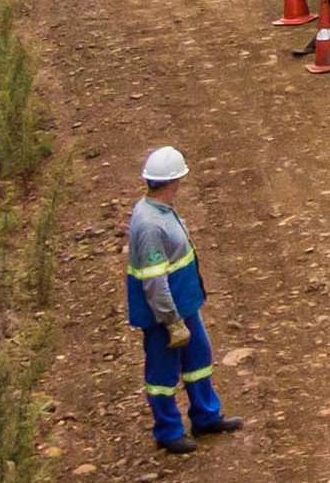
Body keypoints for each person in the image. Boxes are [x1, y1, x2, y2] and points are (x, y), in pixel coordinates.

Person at [127, 146, 243, 454]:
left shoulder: (159, 211)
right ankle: (168, 432)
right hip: (165, 315)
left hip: (183, 306)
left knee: (198, 360)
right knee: (162, 376)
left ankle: (206, 416)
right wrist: (171, 321)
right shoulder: (151, 224)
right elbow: (154, 282)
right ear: (173, 181)